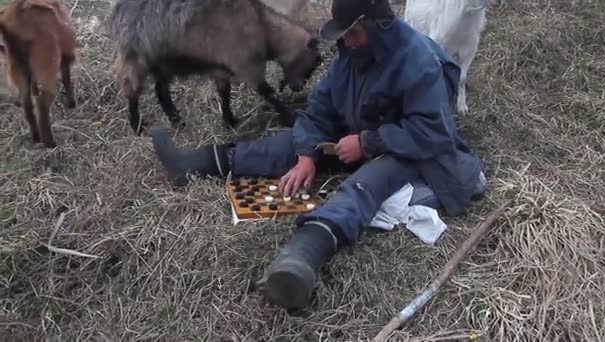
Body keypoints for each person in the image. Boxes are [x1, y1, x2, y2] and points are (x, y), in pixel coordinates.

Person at [149, 0, 487, 310]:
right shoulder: (352, 53)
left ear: (377, 26)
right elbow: (320, 109)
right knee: (289, 144)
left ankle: (300, 259)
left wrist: (368, 143)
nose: (347, 42)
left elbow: (433, 133)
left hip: (409, 152)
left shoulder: (419, 60)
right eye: (344, 35)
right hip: (361, 135)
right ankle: (194, 163)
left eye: (352, 34)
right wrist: (308, 154)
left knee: (364, 184)